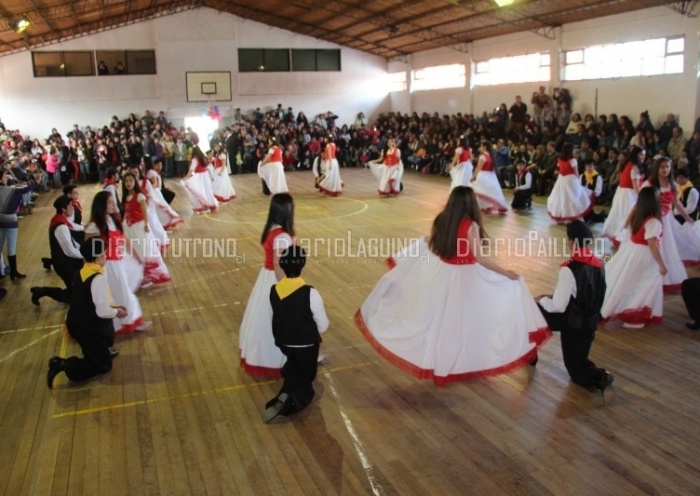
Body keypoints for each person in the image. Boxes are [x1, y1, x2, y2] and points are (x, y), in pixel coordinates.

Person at [354, 186, 551, 386]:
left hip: (445, 276)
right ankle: (464, 359)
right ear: (470, 203)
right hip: (466, 277)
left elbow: (434, 244)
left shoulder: (442, 219)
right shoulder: (470, 225)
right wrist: (506, 273)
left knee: (445, 322)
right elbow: (480, 258)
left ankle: (445, 361)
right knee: (475, 317)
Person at [536, 221, 613, 393]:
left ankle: (529, 356)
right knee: (577, 364)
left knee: (533, 310)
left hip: (573, 321)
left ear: (571, 241)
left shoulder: (569, 269)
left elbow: (558, 306)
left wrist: (541, 300)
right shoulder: (599, 263)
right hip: (590, 321)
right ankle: (595, 375)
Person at [46, 238, 126, 389]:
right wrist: (117, 312)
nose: (106, 257)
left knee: (100, 345)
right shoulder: (98, 279)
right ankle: (64, 365)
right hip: (87, 328)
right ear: (96, 258)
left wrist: (114, 307)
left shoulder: (82, 272)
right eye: (103, 255)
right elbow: (102, 311)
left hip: (78, 323)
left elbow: (94, 300)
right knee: (103, 366)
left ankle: (100, 351)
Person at [262, 246, 329, 423]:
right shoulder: (311, 293)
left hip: (283, 341)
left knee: (295, 363)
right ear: (303, 267)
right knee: (306, 377)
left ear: (282, 266)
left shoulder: (273, 290)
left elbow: (273, 319)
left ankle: (289, 379)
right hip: (306, 344)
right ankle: (289, 399)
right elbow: (323, 325)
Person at [239, 193, 295, 378]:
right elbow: (280, 265)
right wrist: (286, 287)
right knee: (283, 321)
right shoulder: (283, 236)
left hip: (266, 277)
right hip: (277, 279)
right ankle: (288, 359)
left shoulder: (271, 228)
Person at [85, 191, 150, 334]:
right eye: (109, 202)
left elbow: (124, 239)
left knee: (122, 293)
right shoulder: (94, 226)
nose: (113, 203)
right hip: (106, 266)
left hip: (118, 262)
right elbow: (89, 250)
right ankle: (122, 323)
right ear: (101, 205)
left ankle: (131, 320)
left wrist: (137, 256)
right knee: (118, 294)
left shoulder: (113, 220)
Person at [601, 188, 666, 328]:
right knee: (644, 284)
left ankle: (623, 311)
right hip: (645, 256)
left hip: (632, 251)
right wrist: (661, 264)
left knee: (627, 282)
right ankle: (633, 315)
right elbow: (652, 245)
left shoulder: (637, 214)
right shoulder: (653, 222)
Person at [642, 158, 693, 291]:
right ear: (657, 168)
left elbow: (677, 203)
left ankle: (665, 277)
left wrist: (687, 218)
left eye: (667, 167)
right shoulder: (649, 184)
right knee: (654, 247)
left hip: (667, 221)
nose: (665, 169)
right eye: (662, 167)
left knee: (668, 248)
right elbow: (641, 204)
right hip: (653, 220)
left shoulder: (673, 184)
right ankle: (651, 276)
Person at [30, 196, 84, 306]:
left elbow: (73, 231)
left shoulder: (59, 219)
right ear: (63, 209)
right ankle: (41, 291)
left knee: (76, 291)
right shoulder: (61, 227)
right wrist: (85, 255)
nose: (72, 208)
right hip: (65, 265)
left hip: (66, 263)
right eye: (70, 206)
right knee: (74, 297)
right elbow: (70, 251)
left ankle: (42, 291)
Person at [121, 172, 171, 287]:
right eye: (126, 181)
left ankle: (147, 276)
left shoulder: (139, 196)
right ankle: (137, 276)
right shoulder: (125, 197)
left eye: (131, 181)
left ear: (135, 182)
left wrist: (146, 225)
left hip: (139, 226)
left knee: (143, 250)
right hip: (128, 227)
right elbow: (125, 213)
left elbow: (144, 211)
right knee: (132, 251)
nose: (128, 183)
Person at [602, 146, 644, 243]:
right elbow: (635, 185)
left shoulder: (625, 163)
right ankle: (622, 236)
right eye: (641, 154)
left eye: (644, 155)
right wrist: (641, 197)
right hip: (629, 194)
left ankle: (617, 235)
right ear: (636, 155)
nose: (643, 157)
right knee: (627, 215)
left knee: (620, 214)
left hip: (621, 192)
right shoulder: (634, 167)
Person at [546, 143, 593, 222]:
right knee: (573, 197)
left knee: (561, 198)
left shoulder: (559, 159)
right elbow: (576, 172)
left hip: (561, 179)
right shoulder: (572, 160)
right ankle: (572, 215)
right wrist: (578, 181)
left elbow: (559, 169)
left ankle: (562, 214)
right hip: (570, 179)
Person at [470, 141, 508, 214]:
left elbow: (478, 168)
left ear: (485, 147)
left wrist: (473, 177)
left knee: (479, 191)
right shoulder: (491, 156)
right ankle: (487, 207)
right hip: (491, 176)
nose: (480, 148)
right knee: (489, 192)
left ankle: (483, 207)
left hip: (483, 175)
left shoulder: (483, 156)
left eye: (481, 146)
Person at [181, 143, 218, 214]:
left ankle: (202, 206)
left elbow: (191, 170)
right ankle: (210, 204)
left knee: (199, 191)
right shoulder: (204, 158)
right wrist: (211, 176)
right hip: (205, 176)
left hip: (199, 177)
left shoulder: (195, 160)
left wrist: (185, 178)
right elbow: (207, 168)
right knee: (207, 191)